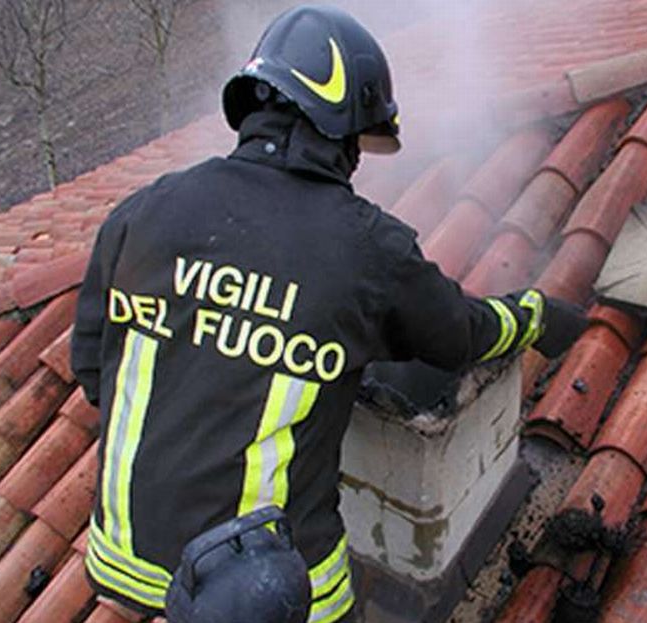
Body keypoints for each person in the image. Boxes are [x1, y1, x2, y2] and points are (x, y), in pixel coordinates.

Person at [71, 5, 587, 623]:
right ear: (341, 132)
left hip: (123, 561)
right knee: (330, 594)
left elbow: (94, 372)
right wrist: (534, 316)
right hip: (274, 588)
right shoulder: (366, 249)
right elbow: (458, 334)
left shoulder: (142, 211)